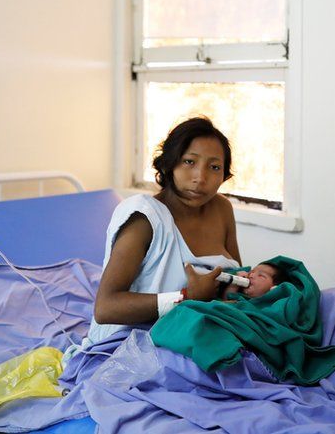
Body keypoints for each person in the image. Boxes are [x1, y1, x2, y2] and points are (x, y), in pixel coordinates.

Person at [73, 117, 242, 354]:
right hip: (133, 347)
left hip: (198, 337)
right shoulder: (146, 219)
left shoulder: (223, 209)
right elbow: (105, 308)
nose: (200, 178)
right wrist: (186, 297)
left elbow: (233, 278)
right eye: (189, 162)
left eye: (214, 167)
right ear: (169, 164)